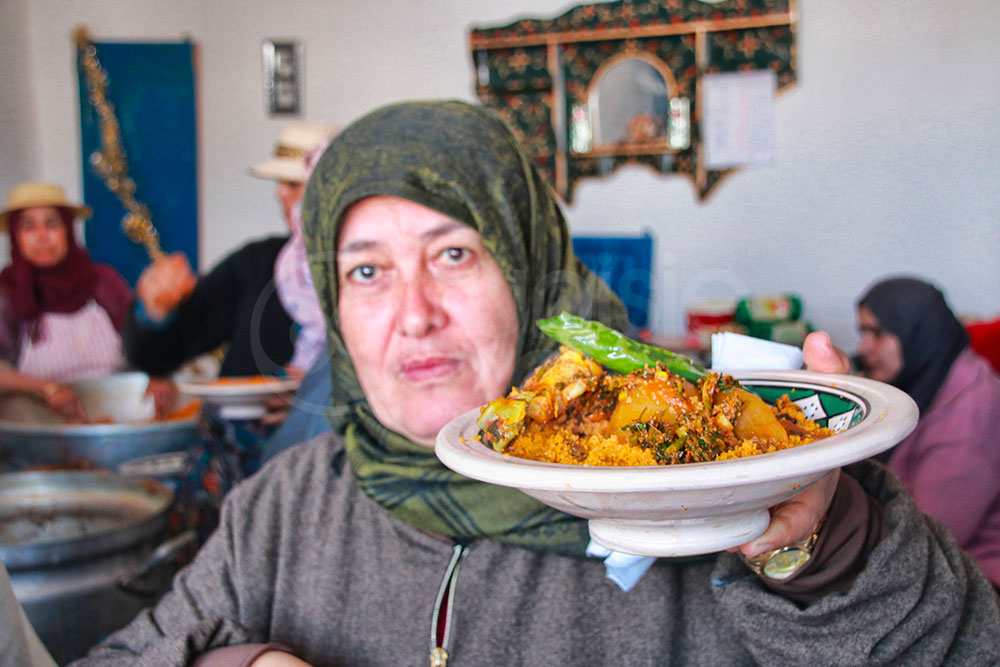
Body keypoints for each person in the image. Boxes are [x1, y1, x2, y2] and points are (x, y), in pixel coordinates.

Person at [73, 102, 1000, 666]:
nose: (415, 311)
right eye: (366, 271)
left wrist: (831, 544)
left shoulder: (702, 483)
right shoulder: (278, 512)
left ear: (529, 266)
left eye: (455, 252)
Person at [122, 121, 338, 380]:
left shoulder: (374, 274)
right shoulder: (256, 263)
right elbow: (161, 355)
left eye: (293, 183)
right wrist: (156, 312)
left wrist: (317, 394)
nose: (280, 193)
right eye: (279, 182)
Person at [856, 275, 1000, 587]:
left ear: (918, 334)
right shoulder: (932, 379)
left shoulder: (967, 419)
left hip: (975, 579)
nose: (863, 347)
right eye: (862, 332)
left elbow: (929, 536)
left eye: (876, 333)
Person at [0, 181, 172, 419]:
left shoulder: (102, 281)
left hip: (117, 411)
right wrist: (48, 388)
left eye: (51, 224)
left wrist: (155, 376)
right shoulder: (7, 294)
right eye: (28, 227)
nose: (41, 237)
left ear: (68, 230)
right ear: (15, 236)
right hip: (42, 422)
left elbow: (143, 339)